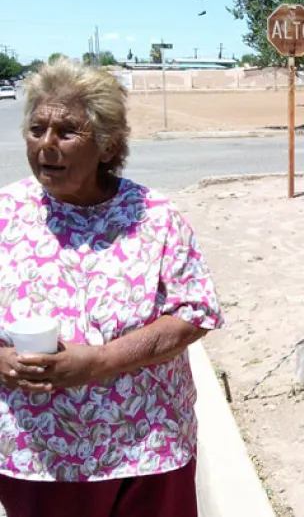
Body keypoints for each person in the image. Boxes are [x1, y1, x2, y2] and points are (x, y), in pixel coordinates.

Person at [0, 59, 224, 517]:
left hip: (148, 449)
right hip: (39, 456)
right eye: (37, 128)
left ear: (106, 146)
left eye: (66, 132)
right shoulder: (6, 213)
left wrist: (100, 362)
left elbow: (195, 312)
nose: (46, 145)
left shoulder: (155, 216)